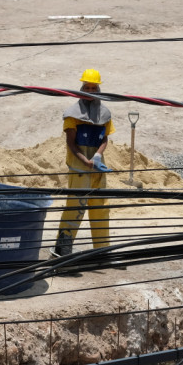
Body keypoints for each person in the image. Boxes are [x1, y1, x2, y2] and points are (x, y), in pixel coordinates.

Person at [53, 68, 113, 257]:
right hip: (79, 169)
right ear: (81, 88)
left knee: (100, 207)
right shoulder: (72, 114)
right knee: (75, 206)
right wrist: (85, 161)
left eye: (93, 88)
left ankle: (102, 251)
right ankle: (62, 248)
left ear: (98, 89)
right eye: (87, 87)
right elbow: (71, 142)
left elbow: (104, 138)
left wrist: (97, 156)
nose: (90, 91)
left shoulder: (104, 113)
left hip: (97, 168)